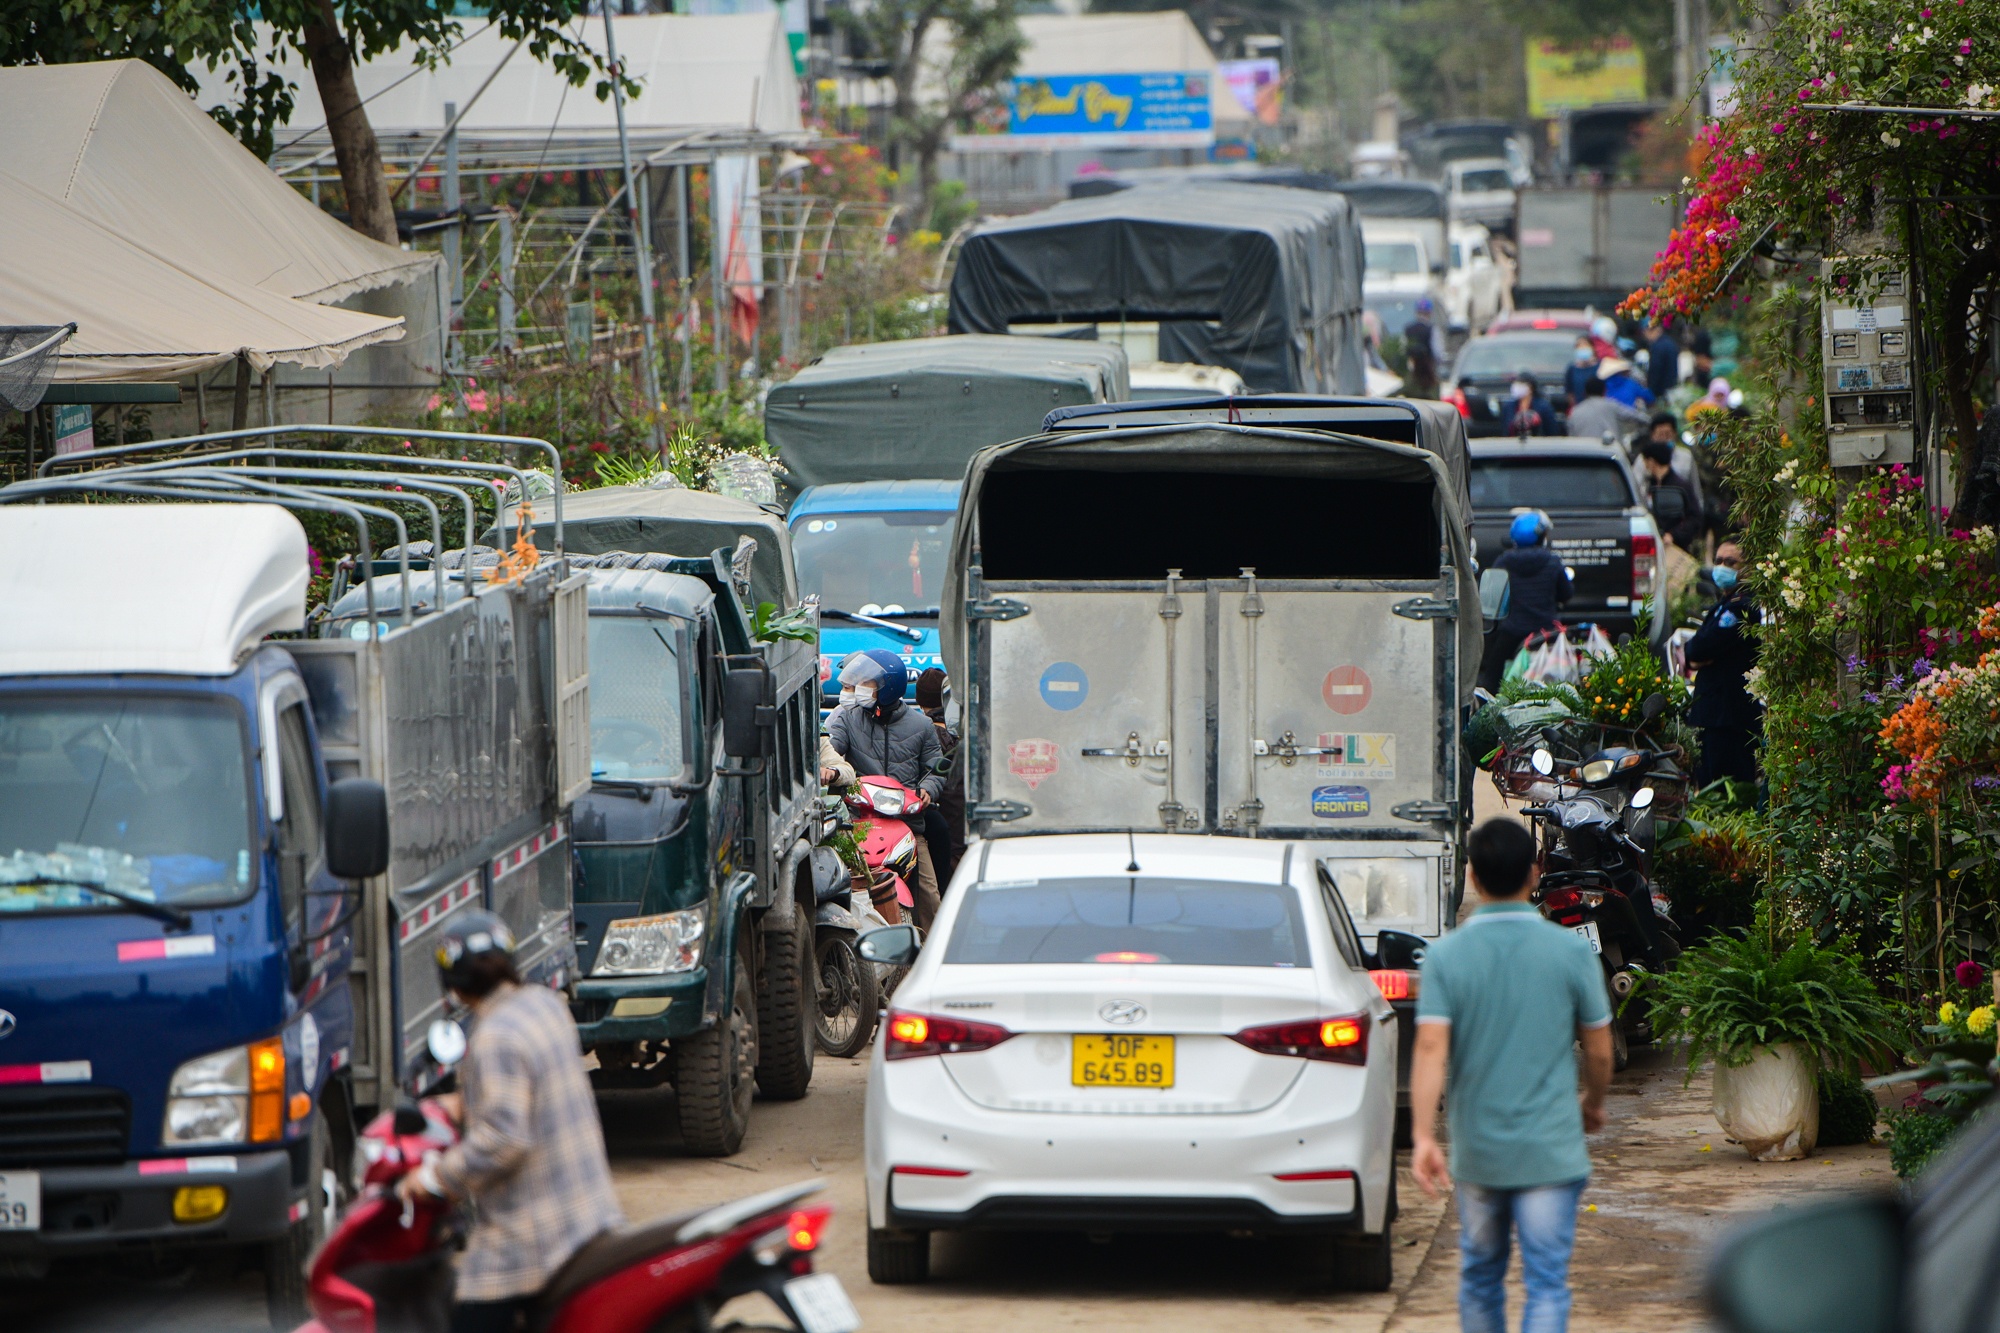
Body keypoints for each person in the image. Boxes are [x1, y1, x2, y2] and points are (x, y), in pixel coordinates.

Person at [1410, 818, 1615, 1333]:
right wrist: (1593, 1102)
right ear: (1535, 872)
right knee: (1546, 1282)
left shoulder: (1445, 957)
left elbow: (1431, 1049)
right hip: (1550, 1149)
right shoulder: (1570, 951)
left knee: (1480, 1276)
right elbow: (1599, 1047)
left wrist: (1420, 1137)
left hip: (1480, 1154)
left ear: (1473, 877)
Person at [396, 912, 624, 1333]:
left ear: (454, 986)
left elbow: (502, 1140)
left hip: (536, 1238)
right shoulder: (542, 1005)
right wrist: (463, 1102)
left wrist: (431, 1179)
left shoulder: (493, 1037)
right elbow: (533, 1082)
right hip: (590, 1213)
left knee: (469, 1317)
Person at [826, 648, 945, 928]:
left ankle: (933, 953)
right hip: (860, 823)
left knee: (930, 897)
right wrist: (829, 769)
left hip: (909, 825)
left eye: (866, 684)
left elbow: (937, 768)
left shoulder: (922, 725)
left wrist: (929, 787)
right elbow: (831, 750)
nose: (859, 691)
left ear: (887, 686)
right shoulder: (848, 718)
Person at [1686, 542, 1761, 788]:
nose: (1722, 568)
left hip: (1730, 717)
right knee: (1709, 788)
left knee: (1732, 789)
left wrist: (1703, 655)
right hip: (1713, 715)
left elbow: (1699, 649)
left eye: (1730, 563)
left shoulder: (1742, 608)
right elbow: (1693, 652)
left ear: (1747, 569)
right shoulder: (1723, 604)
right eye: (1718, 561)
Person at [1476, 512, 1572, 693]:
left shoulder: (1503, 561)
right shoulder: (1552, 561)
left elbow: (1491, 596)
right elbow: (1566, 594)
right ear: (1541, 537)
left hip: (1512, 632)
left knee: (1491, 676)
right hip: (1546, 632)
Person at [913, 667, 965, 887]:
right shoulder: (963, 729)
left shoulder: (924, 733)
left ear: (920, 702)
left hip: (939, 825)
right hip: (966, 822)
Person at [1641, 438, 1702, 551]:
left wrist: (1674, 535)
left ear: (1652, 461)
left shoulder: (1681, 487)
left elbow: (1695, 518)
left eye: (1645, 461)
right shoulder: (1648, 486)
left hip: (1677, 548)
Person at [1565, 377, 1645, 442]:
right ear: (1604, 391)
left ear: (1585, 393)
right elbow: (1633, 415)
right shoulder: (1611, 405)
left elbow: (1571, 436)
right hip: (1609, 452)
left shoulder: (1575, 411)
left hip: (1584, 454)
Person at [1403, 297, 1442, 399]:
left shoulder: (1408, 329)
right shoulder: (1432, 329)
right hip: (1429, 373)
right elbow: (1437, 352)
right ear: (1429, 313)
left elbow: (1404, 349)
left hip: (1413, 372)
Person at [1644, 318, 1682, 400]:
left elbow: (1655, 370)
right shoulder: (1671, 343)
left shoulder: (1657, 346)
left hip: (1660, 390)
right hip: (1671, 386)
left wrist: (1651, 390)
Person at [1563, 337, 1598, 402]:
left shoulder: (1599, 367)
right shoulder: (1572, 369)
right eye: (1578, 346)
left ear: (1592, 347)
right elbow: (1570, 392)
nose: (1582, 348)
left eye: (1585, 345)